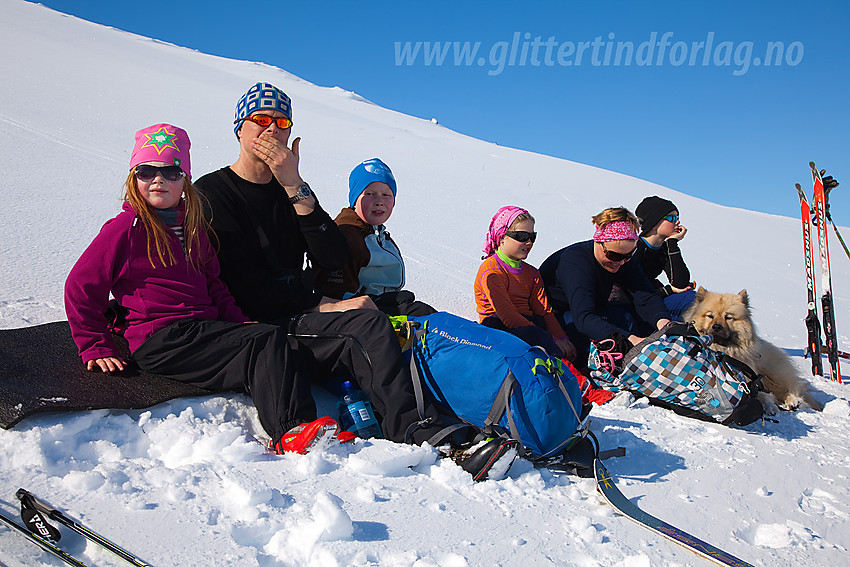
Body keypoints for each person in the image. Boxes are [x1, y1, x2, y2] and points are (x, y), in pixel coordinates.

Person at [194, 83, 518, 480]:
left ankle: (479, 404)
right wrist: (322, 306)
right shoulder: (211, 192)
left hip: (299, 313)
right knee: (366, 326)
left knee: (404, 322)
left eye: (281, 122)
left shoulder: (288, 192)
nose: (271, 131)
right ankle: (419, 431)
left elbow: (331, 253)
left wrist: (295, 185)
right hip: (261, 327)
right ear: (239, 128)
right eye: (260, 121)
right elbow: (241, 281)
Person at [64, 123, 340, 456]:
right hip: (161, 338)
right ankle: (290, 432)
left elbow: (214, 285)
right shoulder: (126, 229)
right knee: (265, 343)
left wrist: (238, 322)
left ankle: (313, 425)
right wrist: (94, 345)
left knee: (273, 340)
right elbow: (80, 286)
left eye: (171, 171)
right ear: (133, 178)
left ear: (185, 180)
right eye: (146, 171)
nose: (158, 180)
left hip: (202, 331)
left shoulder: (193, 228)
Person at [539, 207, 672, 366]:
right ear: (599, 242)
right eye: (614, 255)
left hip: (590, 311)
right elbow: (583, 317)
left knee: (632, 316)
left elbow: (645, 295)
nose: (620, 262)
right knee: (612, 328)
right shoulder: (576, 262)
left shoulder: (621, 259)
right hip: (558, 318)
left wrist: (665, 324)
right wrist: (630, 340)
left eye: (628, 256)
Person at [313, 158, 435, 317]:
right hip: (363, 315)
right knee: (424, 316)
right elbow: (337, 293)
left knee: (425, 313)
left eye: (386, 195)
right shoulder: (347, 235)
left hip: (379, 305)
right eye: (370, 194)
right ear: (355, 198)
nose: (379, 202)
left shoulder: (377, 234)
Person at [474, 206, 575, 360]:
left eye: (532, 237)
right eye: (521, 236)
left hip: (530, 326)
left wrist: (561, 338)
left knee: (573, 332)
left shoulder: (532, 273)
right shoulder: (491, 270)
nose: (529, 242)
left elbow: (544, 311)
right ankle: (576, 381)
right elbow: (508, 316)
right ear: (501, 237)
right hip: (499, 328)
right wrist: (549, 339)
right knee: (534, 337)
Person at [633, 196, 696, 319]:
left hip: (653, 297)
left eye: (677, 218)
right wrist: (668, 291)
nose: (677, 222)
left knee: (692, 298)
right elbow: (630, 292)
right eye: (672, 218)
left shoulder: (663, 248)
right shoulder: (636, 248)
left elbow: (680, 283)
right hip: (635, 304)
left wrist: (672, 243)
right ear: (654, 223)